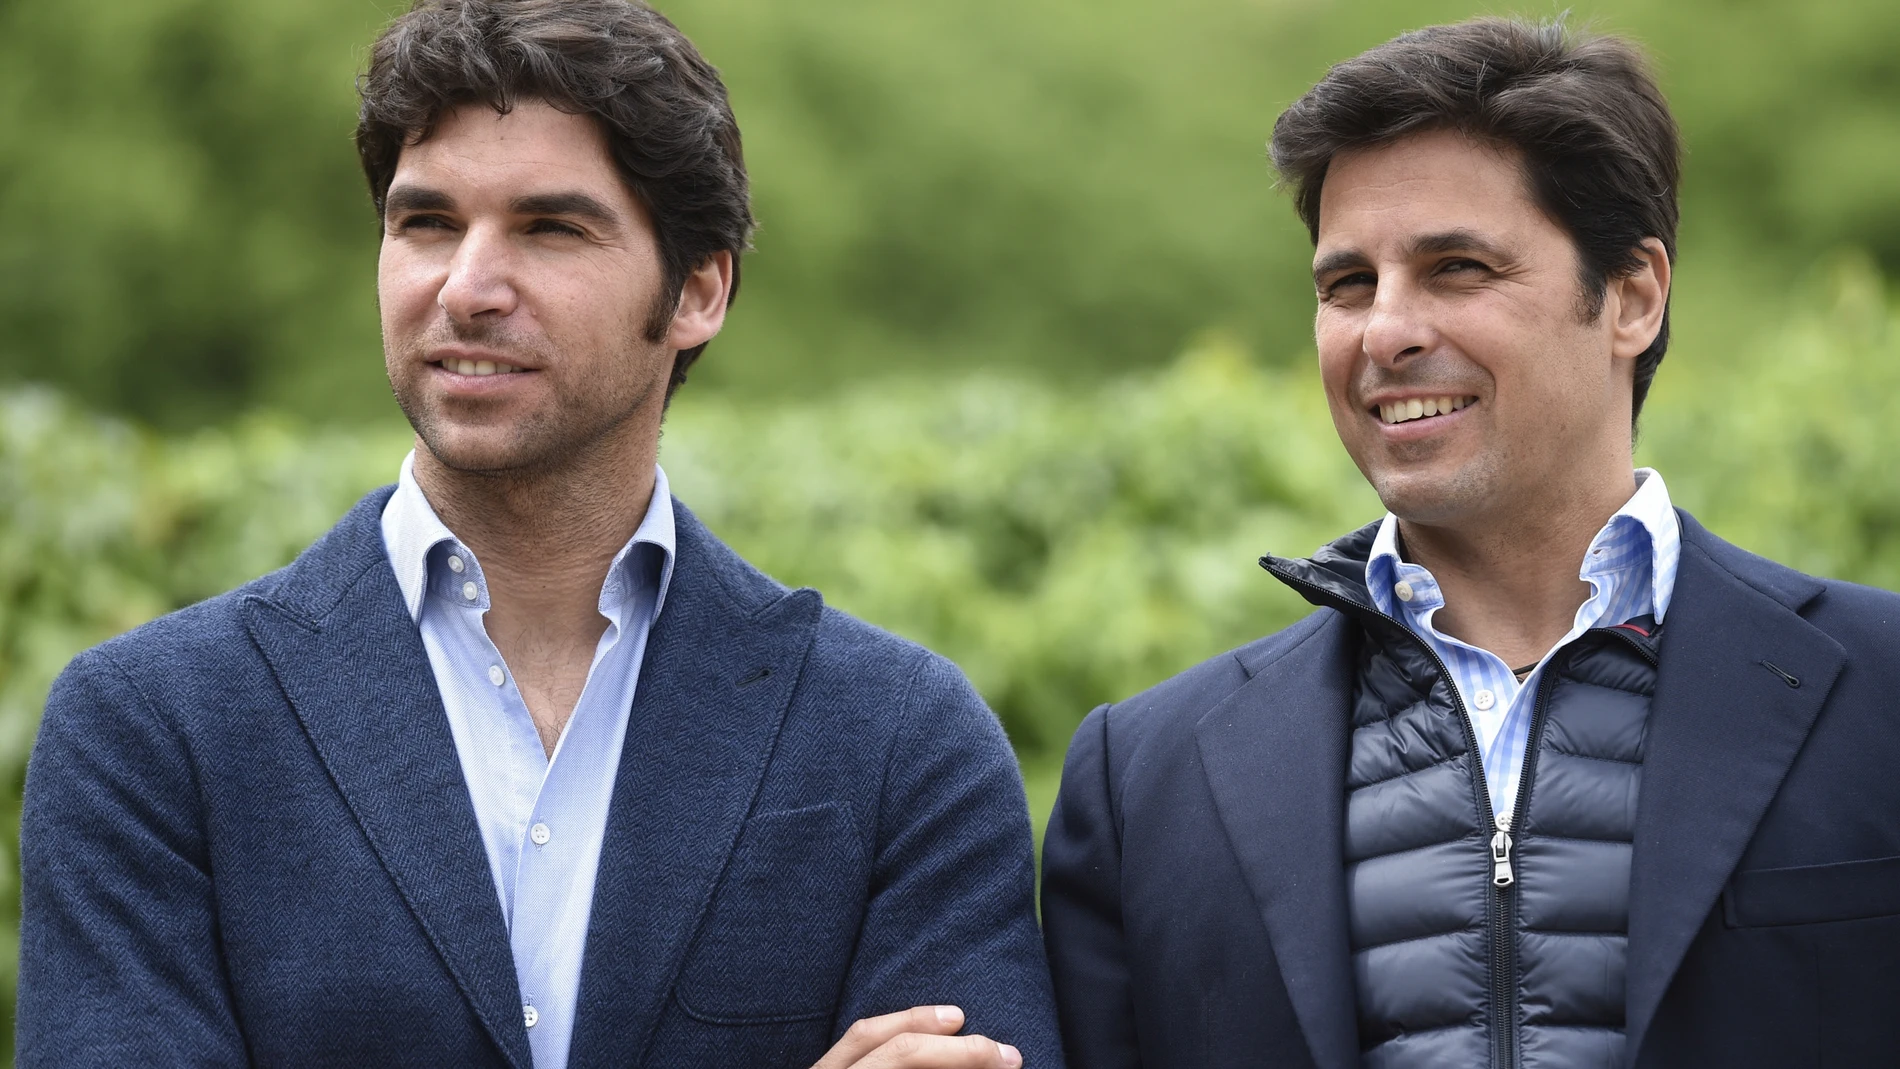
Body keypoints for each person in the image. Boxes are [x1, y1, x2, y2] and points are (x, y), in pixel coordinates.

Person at [18, 3, 1058, 1067]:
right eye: (425, 223)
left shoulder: (900, 741)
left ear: (698, 287)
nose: (466, 287)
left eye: (550, 228)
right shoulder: (153, 731)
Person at [1041, 17, 1900, 1069]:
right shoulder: (1145, 779)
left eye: (1455, 267)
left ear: (1631, 296)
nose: (1383, 331)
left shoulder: (1884, 693)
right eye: (1346, 284)